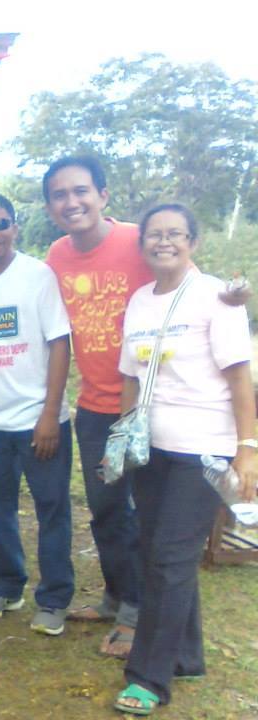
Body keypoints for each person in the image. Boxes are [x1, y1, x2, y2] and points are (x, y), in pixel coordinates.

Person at [113, 204, 256, 716]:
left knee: (169, 561)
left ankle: (148, 677)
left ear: (193, 241)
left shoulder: (217, 297)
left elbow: (241, 379)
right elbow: (131, 374)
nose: (164, 241)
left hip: (204, 452)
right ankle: (187, 656)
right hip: (152, 449)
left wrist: (248, 450)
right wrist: (126, 436)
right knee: (158, 551)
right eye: (155, 234)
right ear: (143, 243)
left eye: (175, 233)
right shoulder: (139, 302)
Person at [42, 156, 151, 656]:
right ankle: (114, 596)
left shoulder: (138, 241)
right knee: (106, 510)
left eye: (81, 191)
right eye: (60, 195)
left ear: (103, 196)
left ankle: (137, 611)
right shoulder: (56, 256)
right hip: (93, 407)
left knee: (142, 510)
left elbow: (190, 285)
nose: (72, 202)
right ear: (50, 207)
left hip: (149, 404)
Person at [0, 193, 75, 636]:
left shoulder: (37, 276)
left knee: (52, 509)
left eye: (1, 223)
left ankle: (55, 598)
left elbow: (60, 343)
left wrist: (49, 415)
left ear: (15, 228)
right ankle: (5, 587)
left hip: (40, 422)